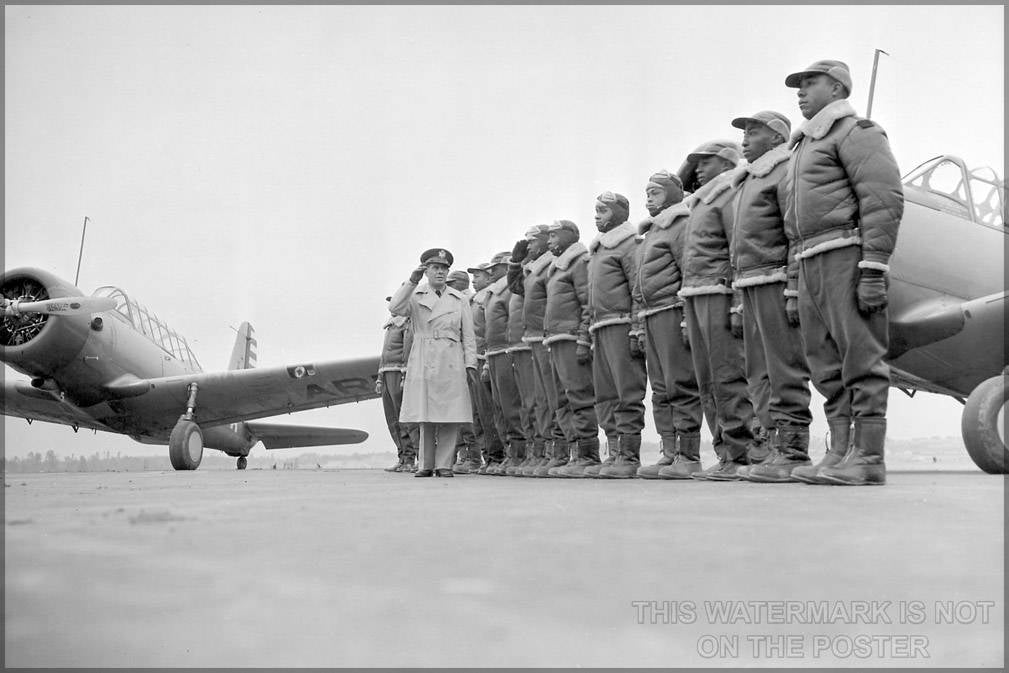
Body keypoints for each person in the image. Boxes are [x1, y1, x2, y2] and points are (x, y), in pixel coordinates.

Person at [783, 60, 903, 485]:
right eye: (798, 86)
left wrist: (873, 269)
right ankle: (838, 452)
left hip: (845, 256)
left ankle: (868, 458)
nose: (800, 91)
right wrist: (795, 284)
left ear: (837, 89)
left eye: (809, 83)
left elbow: (882, 199)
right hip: (809, 261)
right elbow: (793, 227)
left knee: (861, 356)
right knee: (824, 364)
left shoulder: (858, 132)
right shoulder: (802, 150)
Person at [727, 110, 815, 483]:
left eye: (754, 131)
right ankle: (770, 445)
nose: (745, 138)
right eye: (744, 132)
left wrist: (794, 286)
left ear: (777, 137)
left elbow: (795, 233)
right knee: (758, 372)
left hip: (775, 279)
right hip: (749, 283)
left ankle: (793, 449)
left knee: (784, 367)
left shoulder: (784, 171)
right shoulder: (747, 181)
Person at [677, 140, 757, 481]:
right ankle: (724, 452)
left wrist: (737, 300)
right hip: (696, 292)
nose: (697, 168)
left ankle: (741, 453)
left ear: (725, 163)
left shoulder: (729, 194)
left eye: (705, 161)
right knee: (707, 379)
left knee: (728, 375)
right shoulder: (700, 202)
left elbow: (737, 247)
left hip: (719, 291)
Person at [632, 170, 707, 479]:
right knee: (660, 389)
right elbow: (639, 285)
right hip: (650, 315)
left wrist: (688, 318)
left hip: (671, 310)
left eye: (656, 191)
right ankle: (669, 451)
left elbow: (688, 269)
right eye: (646, 192)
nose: (649, 197)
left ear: (675, 193)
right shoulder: (650, 233)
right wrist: (637, 324)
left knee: (680, 383)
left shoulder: (680, 225)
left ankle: (689, 455)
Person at [389, 248, 478, 478]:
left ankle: (444, 464)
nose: (440, 272)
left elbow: (468, 335)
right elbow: (395, 308)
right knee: (425, 412)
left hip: (451, 358)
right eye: (435, 268)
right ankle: (425, 464)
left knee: (451, 413)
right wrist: (411, 280)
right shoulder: (416, 296)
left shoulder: (459, 299)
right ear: (425, 271)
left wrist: (471, 364)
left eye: (444, 268)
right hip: (424, 355)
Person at [585, 191, 647, 478]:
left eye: (604, 210)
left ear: (621, 213)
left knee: (627, 391)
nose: (597, 215)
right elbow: (589, 298)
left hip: (621, 325)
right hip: (600, 327)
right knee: (605, 394)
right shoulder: (598, 250)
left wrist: (637, 327)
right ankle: (614, 450)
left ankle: (629, 455)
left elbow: (638, 288)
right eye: (596, 210)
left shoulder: (628, 244)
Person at [509, 225, 572, 477]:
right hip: (534, 337)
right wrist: (515, 262)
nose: (528, 246)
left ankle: (559, 451)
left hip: (546, 336)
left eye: (532, 241)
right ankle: (548, 451)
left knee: (550, 397)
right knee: (541, 399)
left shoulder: (550, 266)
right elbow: (517, 287)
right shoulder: (533, 269)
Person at [543, 220, 602, 478]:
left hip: (570, 338)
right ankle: (574, 452)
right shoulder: (557, 267)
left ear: (569, 237)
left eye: (554, 236)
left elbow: (587, 303)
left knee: (579, 396)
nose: (549, 241)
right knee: (562, 400)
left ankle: (589, 454)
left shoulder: (579, 263)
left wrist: (582, 339)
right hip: (556, 339)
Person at [481, 251, 527, 475]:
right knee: (499, 408)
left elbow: (514, 320)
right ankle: (510, 453)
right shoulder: (493, 293)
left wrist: (510, 349)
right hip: (494, 352)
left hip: (506, 351)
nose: (490, 272)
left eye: (494, 268)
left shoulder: (508, 289)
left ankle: (520, 454)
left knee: (512, 405)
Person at [467, 261, 506, 474]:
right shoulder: (475, 301)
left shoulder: (486, 299)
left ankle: (497, 456)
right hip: (476, 358)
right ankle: (489, 456)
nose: (475, 280)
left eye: (479, 276)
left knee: (491, 411)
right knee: (481, 414)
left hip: (485, 357)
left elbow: (490, 331)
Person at [377, 297, 419, 472]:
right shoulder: (391, 326)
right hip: (387, 372)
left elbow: (407, 351)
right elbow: (383, 354)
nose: (391, 306)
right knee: (392, 418)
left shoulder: (407, 324)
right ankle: (402, 456)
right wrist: (379, 378)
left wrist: (403, 375)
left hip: (397, 372)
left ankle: (410, 457)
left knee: (403, 417)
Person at [446, 269, 481, 474]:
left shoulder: (468, 302)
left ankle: (473, 457)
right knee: (457, 412)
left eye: (451, 282)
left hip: (468, 361)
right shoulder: (455, 303)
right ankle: (464, 455)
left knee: (471, 412)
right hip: (455, 362)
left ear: (461, 283)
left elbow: (470, 336)